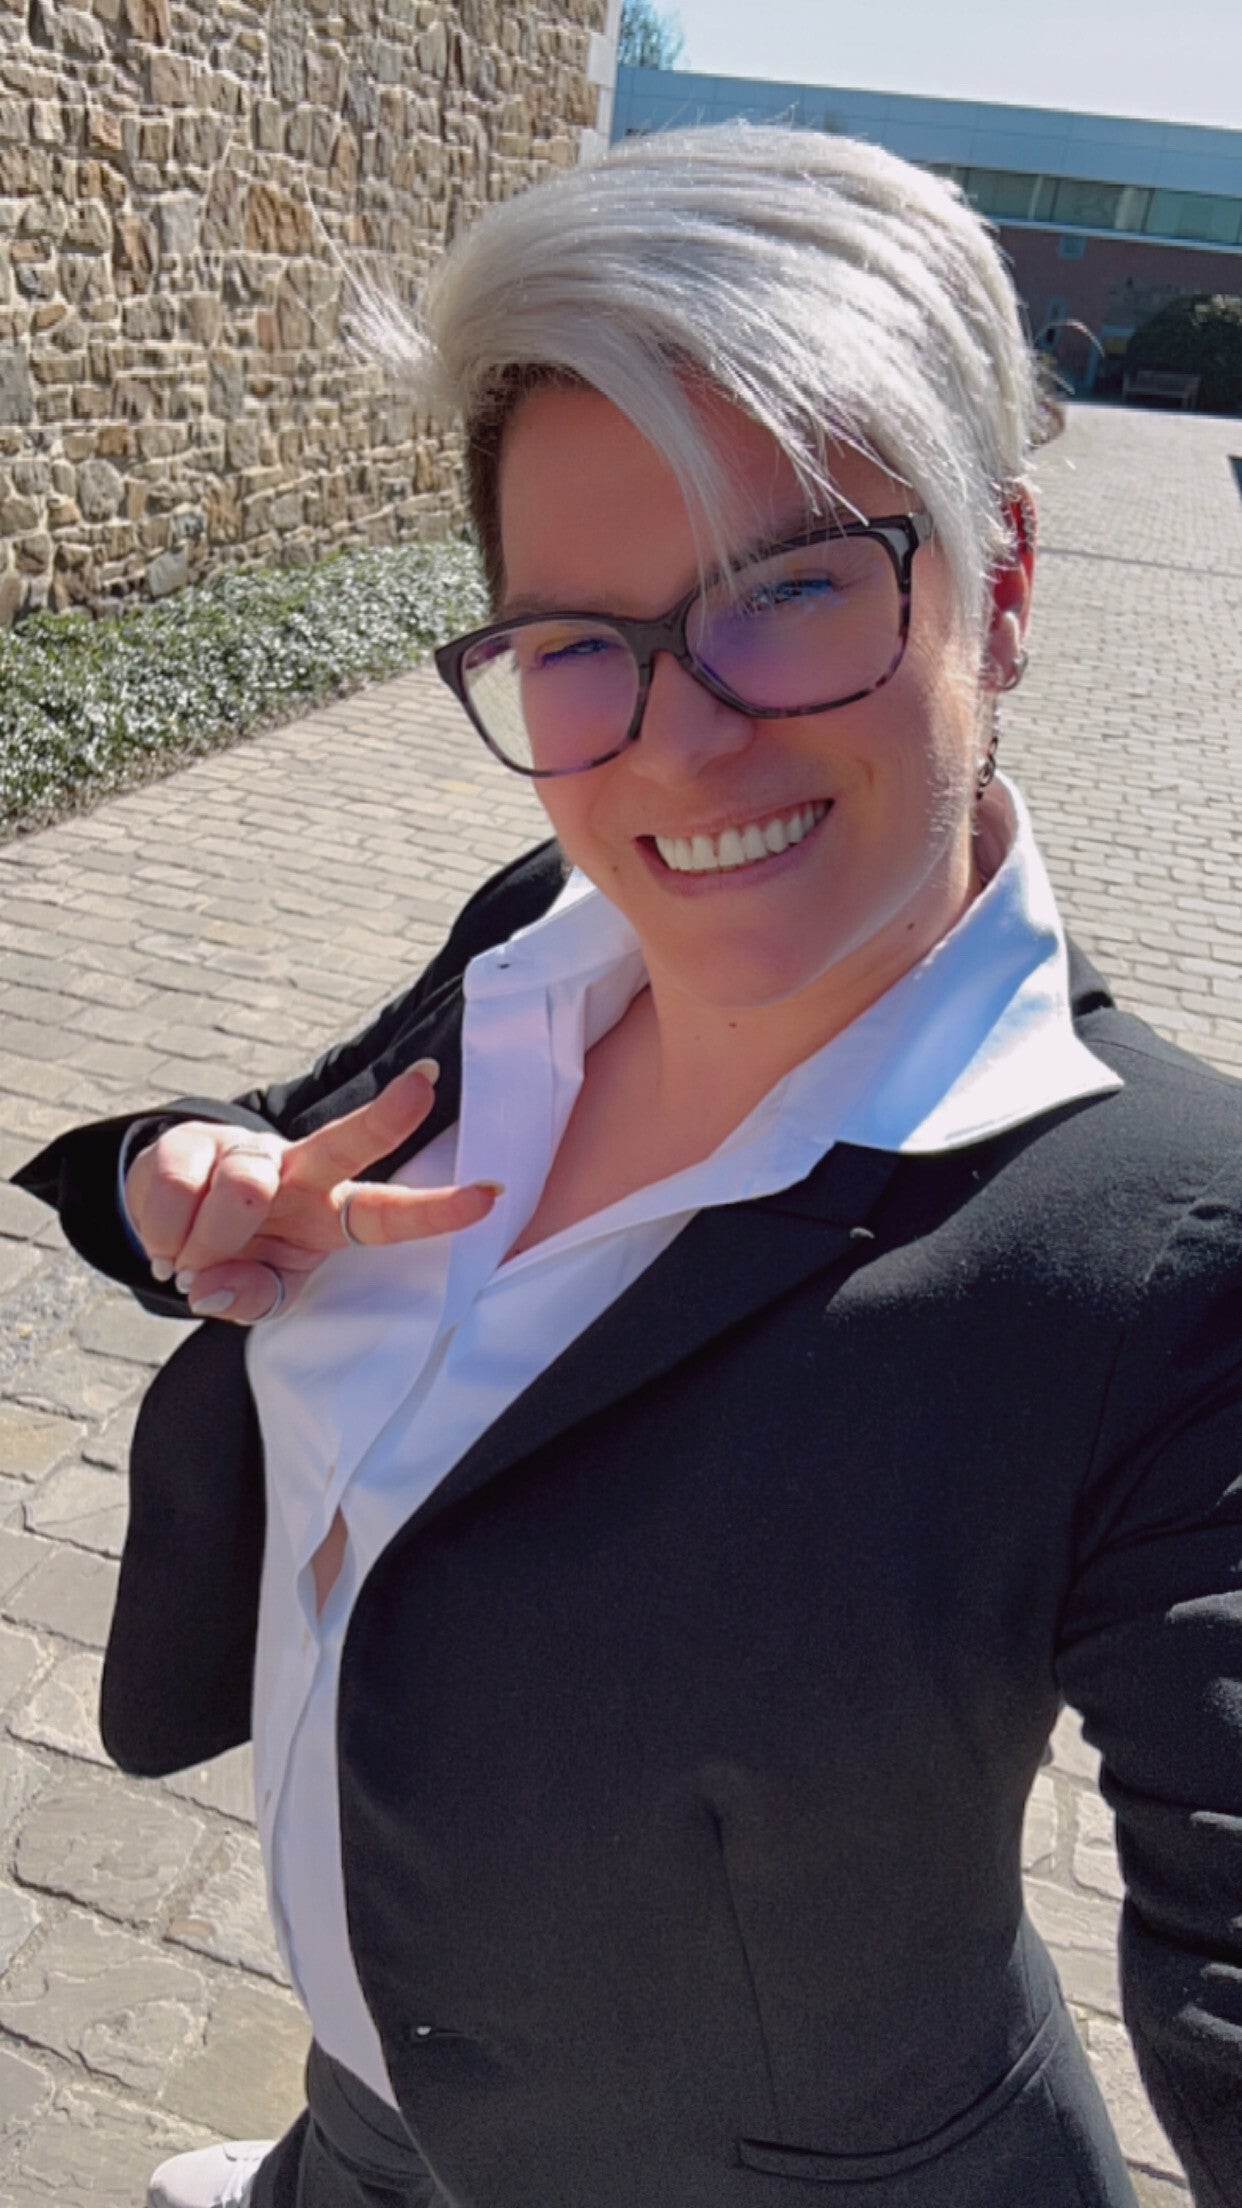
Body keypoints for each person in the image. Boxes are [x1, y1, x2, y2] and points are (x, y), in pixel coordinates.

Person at [15, 124, 1242, 2208]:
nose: (678, 744)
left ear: (1008, 582)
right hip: (364, 2133)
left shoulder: (1172, 1259)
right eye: (577, 639)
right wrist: (174, 1183)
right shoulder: (548, 940)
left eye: (793, 591)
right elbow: (290, 1146)